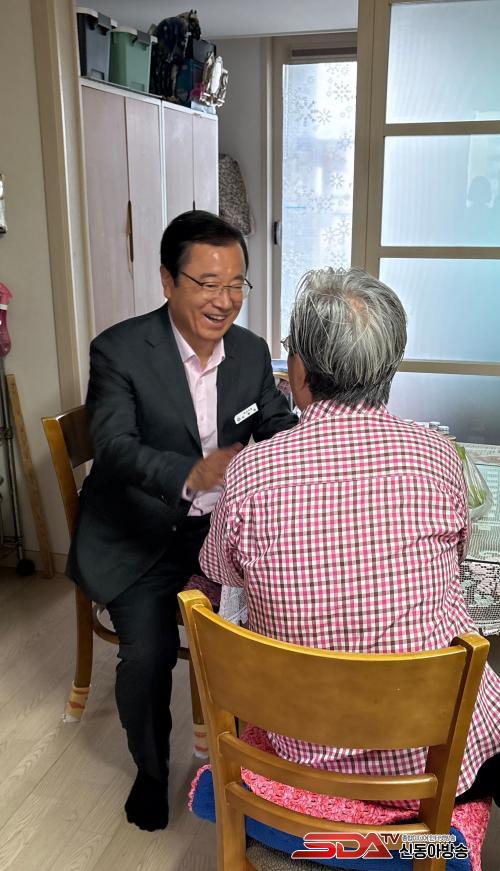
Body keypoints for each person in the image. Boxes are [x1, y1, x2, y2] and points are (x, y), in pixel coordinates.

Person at [201, 266, 500, 805]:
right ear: (390, 369)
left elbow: (223, 575)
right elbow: (455, 564)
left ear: (299, 370)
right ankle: (432, 844)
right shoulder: (437, 456)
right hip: (434, 755)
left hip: (301, 747)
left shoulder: (250, 471)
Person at [66, 210, 297, 831]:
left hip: (219, 533)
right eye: (207, 283)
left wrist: (307, 445)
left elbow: (273, 419)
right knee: (147, 656)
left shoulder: (250, 352)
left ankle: (264, 766)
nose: (224, 301)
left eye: (236, 285)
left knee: (285, 617)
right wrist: (190, 472)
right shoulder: (119, 350)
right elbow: (113, 447)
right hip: (141, 533)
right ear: (168, 281)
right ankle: (150, 771)